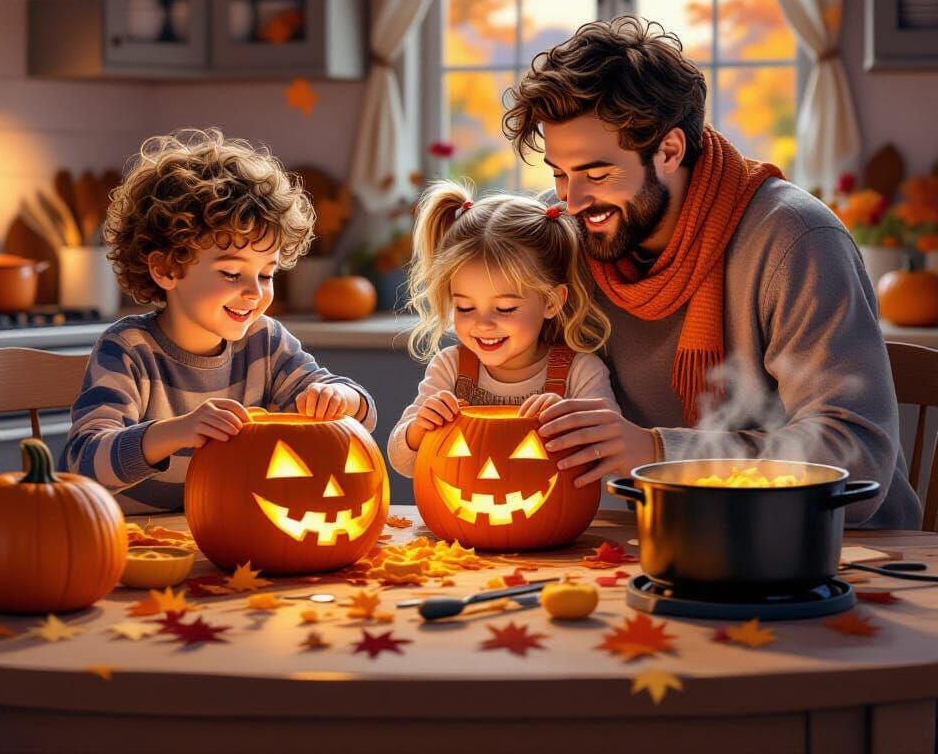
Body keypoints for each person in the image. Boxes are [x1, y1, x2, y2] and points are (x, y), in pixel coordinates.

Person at [502, 15, 920, 528]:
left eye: (597, 173)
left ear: (669, 151)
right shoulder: (565, 230)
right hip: (651, 542)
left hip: (835, 554)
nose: (572, 200)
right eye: (560, 174)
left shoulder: (794, 240)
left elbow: (856, 459)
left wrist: (657, 452)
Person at [60, 128, 376, 514]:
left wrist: (341, 398)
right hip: (132, 544)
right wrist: (175, 432)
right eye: (231, 274)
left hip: (228, 537)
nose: (255, 292)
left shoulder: (265, 341)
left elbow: (361, 411)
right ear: (165, 268)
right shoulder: (128, 350)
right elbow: (82, 463)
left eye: (266, 274)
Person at [388, 180, 619, 478]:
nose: (483, 324)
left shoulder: (581, 372)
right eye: (465, 308)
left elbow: (610, 462)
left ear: (551, 302)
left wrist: (569, 423)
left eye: (506, 309)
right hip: (460, 520)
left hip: (561, 524)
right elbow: (402, 461)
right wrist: (419, 429)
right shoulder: (451, 367)